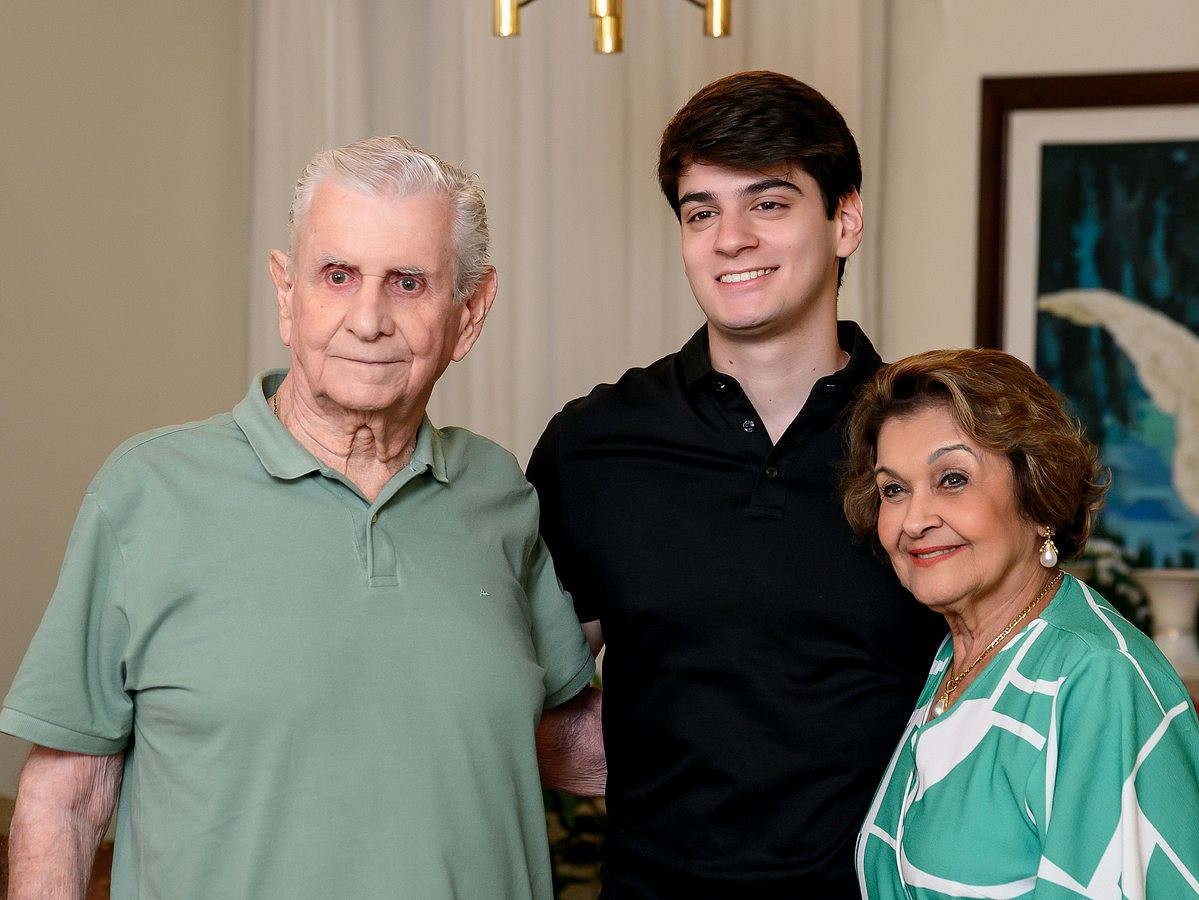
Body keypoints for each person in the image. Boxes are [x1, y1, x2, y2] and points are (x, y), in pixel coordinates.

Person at [1, 136, 598, 899]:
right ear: (287, 293)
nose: (368, 319)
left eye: (408, 283)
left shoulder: (496, 491)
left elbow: (553, 739)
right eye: (337, 276)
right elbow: (66, 797)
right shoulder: (146, 492)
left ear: (470, 312)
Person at [526, 70, 947, 897]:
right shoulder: (593, 443)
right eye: (701, 212)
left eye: (768, 203)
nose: (730, 239)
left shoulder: (931, 442)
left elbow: (1042, 665)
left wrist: (1173, 790)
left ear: (844, 220)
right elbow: (504, 678)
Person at [843, 348, 1199, 898]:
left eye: (952, 479)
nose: (914, 520)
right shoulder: (960, 657)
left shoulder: (1096, 677)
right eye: (893, 489)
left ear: (1037, 494)